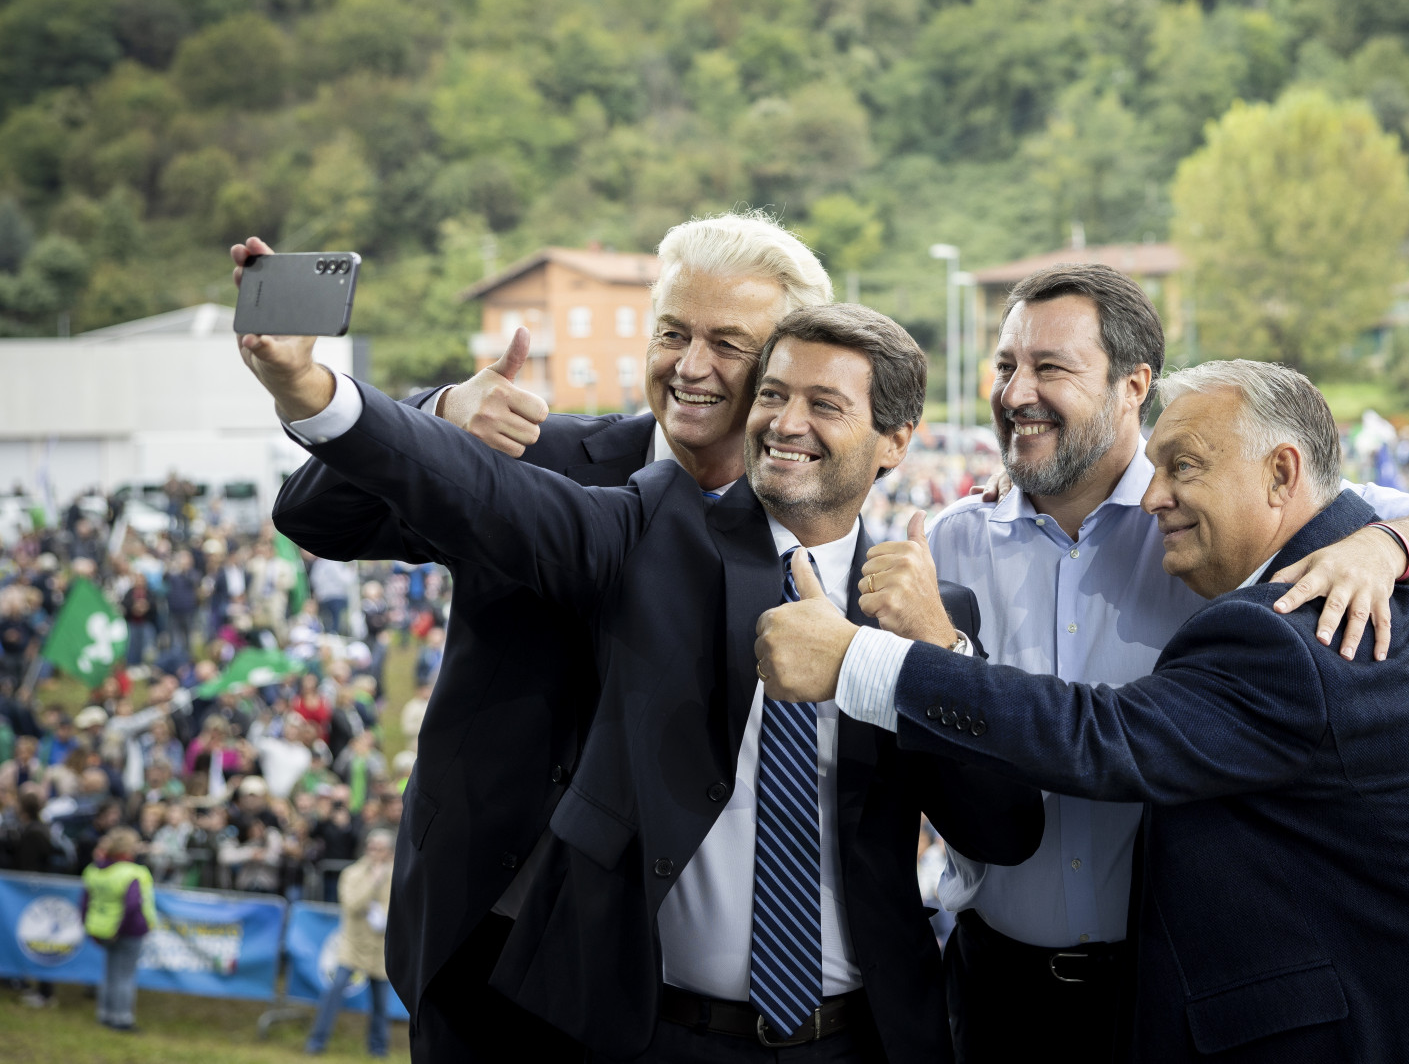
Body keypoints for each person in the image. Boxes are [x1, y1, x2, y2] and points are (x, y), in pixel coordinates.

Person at [241, 297, 1049, 1063]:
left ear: (896, 440)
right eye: (772, 394)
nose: (786, 423)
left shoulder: (927, 605)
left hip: (861, 1036)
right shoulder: (654, 525)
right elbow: (486, 494)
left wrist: (934, 652)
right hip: (655, 1032)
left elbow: (1002, 829)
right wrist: (318, 392)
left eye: (825, 405)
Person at [758, 359, 1409, 1062]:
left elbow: (1103, 737)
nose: (1155, 499)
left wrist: (859, 662)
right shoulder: (1341, 562)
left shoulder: (1298, 629)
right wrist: (1389, 542)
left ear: (1282, 474)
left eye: (1183, 467)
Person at [879, 264, 1409, 1061]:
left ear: (1131, 384)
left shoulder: (1213, 517)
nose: (1015, 392)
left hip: (1168, 993)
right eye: (1006, 366)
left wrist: (1387, 547)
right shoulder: (950, 540)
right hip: (993, 984)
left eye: (1050, 367)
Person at [265, 213, 825, 1064]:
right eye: (673, 333)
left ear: (784, 365)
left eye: (729, 343)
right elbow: (316, 514)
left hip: (669, 975)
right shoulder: (542, 452)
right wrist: (447, 414)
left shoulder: (805, 536)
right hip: (485, 933)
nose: (691, 366)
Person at [307, 827, 395, 1058]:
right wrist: (372, 884)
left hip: (379, 948)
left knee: (380, 1003)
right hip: (352, 944)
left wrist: (384, 916)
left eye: (380, 848)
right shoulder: (352, 873)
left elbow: (401, 906)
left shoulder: (397, 874)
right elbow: (351, 904)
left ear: (389, 851)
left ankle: (378, 1048)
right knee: (334, 992)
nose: (375, 852)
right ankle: (317, 1042)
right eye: (372, 847)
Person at [80, 826, 155, 1033]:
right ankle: (122, 1019)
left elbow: (85, 902)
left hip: (102, 930)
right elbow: (133, 905)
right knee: (124, 977)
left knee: (110, 973)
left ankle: (105, 1014)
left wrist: (91, 927)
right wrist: (119, 929)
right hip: (127, 931)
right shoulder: (132, 873)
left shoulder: (94, 870)